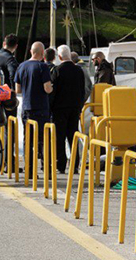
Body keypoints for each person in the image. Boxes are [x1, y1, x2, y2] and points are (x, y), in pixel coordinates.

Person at [50, 45, 87, 174]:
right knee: (74, 136)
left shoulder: (57, 70)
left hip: (59, 108)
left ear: (59, 57)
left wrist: (51, 107)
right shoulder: (79, 71)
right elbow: (83, 90)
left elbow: (52, 92)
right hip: (75, 108)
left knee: (59, 137)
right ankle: (75, 165)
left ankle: (60, 164)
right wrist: (80, 106)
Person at [14, 42, 53, 160]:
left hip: (26, 107)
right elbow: (47, 89)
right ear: (42, 53)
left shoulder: (21, 66)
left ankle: (29, 169)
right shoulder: (43, 67)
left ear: (31, 51)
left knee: (28, 139)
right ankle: (46, 168)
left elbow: (18, 89)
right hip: (40, 108)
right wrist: (52, 87)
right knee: (43, 139)